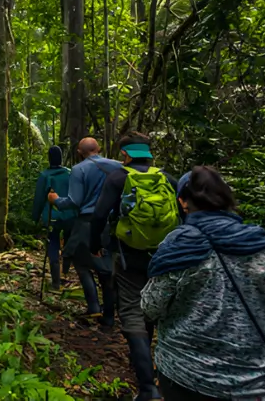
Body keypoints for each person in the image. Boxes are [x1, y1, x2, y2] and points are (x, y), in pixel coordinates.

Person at [142, 166, 265, 400]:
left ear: (182, 202)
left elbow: (151, 307)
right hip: (259, 382)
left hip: (185, 374)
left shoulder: (178, 247)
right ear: (227, 199)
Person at [89, 132, 180, 401]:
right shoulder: (167, 178)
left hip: (128, 256)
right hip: (164, 257)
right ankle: (151, 364)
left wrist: (96, 243)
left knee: (131, 309)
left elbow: (99, 214)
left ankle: (146, 386)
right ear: (149, 154)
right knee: (153, 306)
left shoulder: (118, 178)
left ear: (126, 155)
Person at [48, 137, 122, 326]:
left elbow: (74, 201)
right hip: (113, 223)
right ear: (99, 148)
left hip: (88, 222)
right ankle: (108, 316)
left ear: (79, 152)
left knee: (81, 264)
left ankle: (94, 307)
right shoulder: (118, 166)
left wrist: (55, 200)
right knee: (107, 269)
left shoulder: (79, 169)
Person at [31, 146, 75, 289]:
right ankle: (66, 270)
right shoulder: (70, 173)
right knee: (68, 242)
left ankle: (56, 280)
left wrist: (35, 218)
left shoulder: (45, 176)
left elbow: (39, 199)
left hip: (52, 216)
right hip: (70, 215)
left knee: (53, 244)